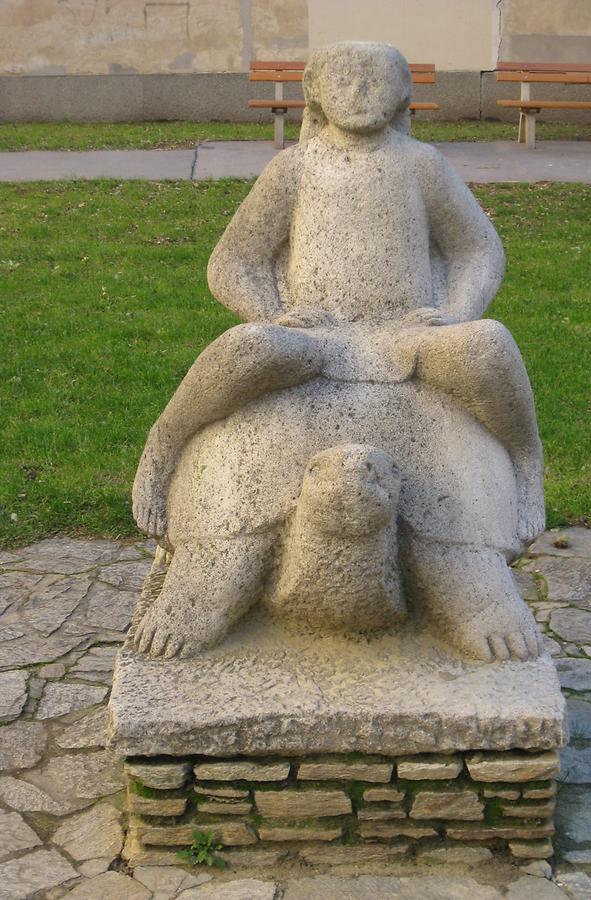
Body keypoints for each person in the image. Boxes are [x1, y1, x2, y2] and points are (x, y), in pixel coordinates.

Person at [132, 42, 544, 663]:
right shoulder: (294, 169)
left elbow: (478, 250)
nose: (359, 91)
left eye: (376, 79)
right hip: (314, 338)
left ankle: (524, 456)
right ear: (314, 91)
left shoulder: (422, 165)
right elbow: (232, 260)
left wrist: (455, 313)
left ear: (405, 94)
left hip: (408, 336)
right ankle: (166, 440)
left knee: (489, 345)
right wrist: (270, 312)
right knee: (245, 350)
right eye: (344, 79)